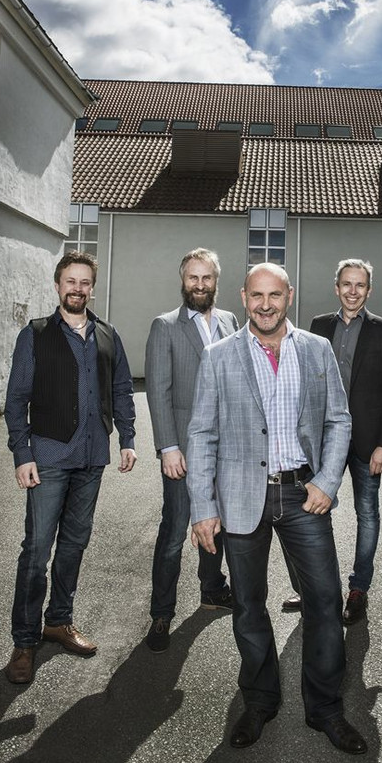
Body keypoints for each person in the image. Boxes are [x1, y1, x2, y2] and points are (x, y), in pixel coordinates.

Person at [187, 263, 367, 755]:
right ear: (244, 297)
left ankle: (325, 708)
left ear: (289, 296)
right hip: (241, 496)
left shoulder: (317, 349)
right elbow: (201, 434)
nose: (265, 305)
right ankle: (259, 701)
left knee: (325, 600)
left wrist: (327, 481)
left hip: (303, 494)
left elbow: (339, 419)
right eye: (256, 295)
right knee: (248, 604)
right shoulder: (218, 355)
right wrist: (203, 507)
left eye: (275, 295)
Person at [3, 251, 136, 684]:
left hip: (92, 458)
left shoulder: (108, 335)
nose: (77, 289)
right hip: (48, 458)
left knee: (74, 545)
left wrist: (128, 439)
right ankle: (24, 641)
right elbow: (16, 400)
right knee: (36, 551)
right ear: (58, 285)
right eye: (70, 282)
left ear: (92, 288)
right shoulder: (36, 334)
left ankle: (58, 621)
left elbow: (121, 391)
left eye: (84, 282)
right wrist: (22, 454)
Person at [283, 258, 382, 625]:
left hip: (368, 443)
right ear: (337, 288)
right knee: (314, 513)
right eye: (347, 284)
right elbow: (303, 382)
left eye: (360, 285)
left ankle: (358, 589)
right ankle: (316, 588)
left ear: (369, 290)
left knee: (367, 513)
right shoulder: (319, 327)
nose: (353, 291)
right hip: (322, 444)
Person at [144, 248, 239, 652]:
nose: (200, 285)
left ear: (216, 281)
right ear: (183, 281)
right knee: (174, 531)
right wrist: (168, 447)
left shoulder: (231, 322)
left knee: (217, 524)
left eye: (207, 278)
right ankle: (161, 612)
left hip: (224, 449)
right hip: (182, 450)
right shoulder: (165, 326)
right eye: (193, 278)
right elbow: (158, 391)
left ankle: (212, 588)